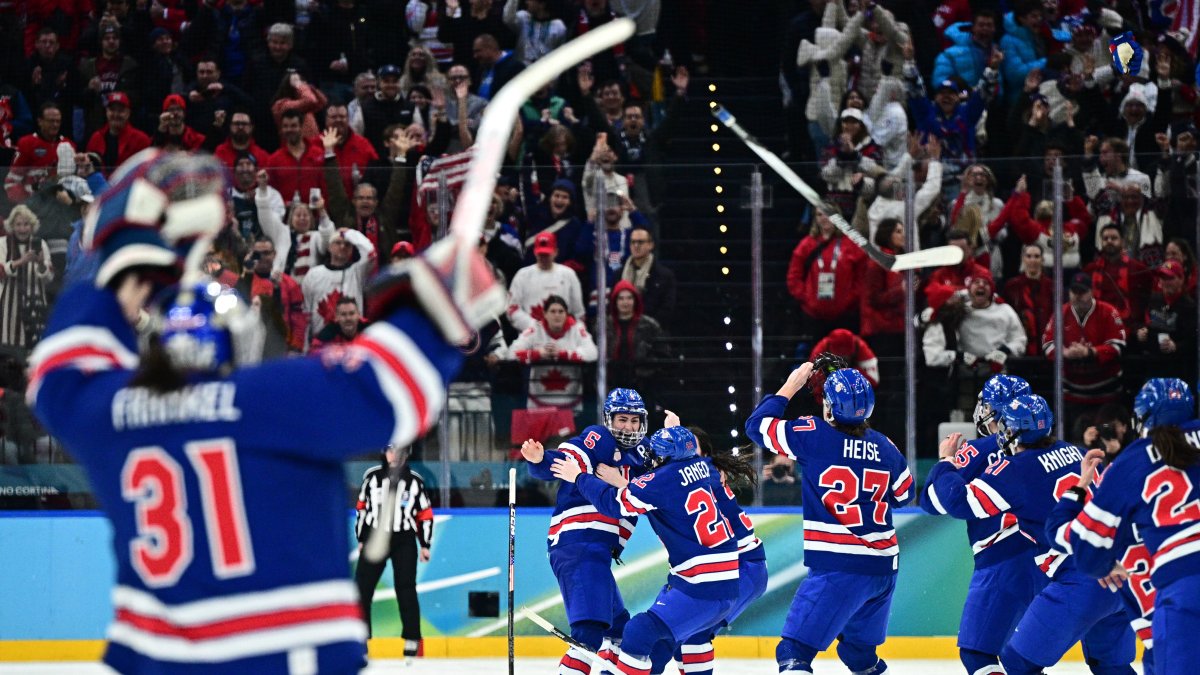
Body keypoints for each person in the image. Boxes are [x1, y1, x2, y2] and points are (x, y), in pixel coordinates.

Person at [25, 150, 503, 673]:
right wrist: (439, 301)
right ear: (238, 340)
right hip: (288, 657)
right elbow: (397, 388)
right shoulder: (272, 399)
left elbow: (56, 372)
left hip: (158, 662)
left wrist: (123, 253)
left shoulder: (110, 412)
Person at [925, 394, 1136, 674]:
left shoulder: (1017, 468)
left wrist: (945, 461)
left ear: (1013, 431)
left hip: (1081, 578)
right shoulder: (1072, 450)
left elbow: (958, 501)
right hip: (1122, 572)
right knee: (1112, 665)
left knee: (1018, 662)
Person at [745, 364, 912, 675]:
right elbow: (904, 495)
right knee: (858, 653)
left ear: (830, 407)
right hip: (883, 570)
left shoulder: (813, 434)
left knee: (793, 651)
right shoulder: (885, 446)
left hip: (839, 566)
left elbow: (756, 426)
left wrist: (791, 385)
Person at [550, 425, 739, 675]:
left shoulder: (660, 481)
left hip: (700, 585)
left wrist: (579, 477)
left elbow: (613, 504)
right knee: (668, 645)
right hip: (727, 580)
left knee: (638, 631)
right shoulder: (705, 468)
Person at [1050, 378, 1200, 675]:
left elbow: (1083, 545)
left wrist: (1102, 565)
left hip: (1183, 591)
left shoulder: (1133, 460)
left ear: (1142, 419)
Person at [519, 388, 650, 675]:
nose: (628, 427)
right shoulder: (597, 442)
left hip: (596, 551)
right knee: (588, 632)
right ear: (609, 419)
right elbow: (561, 463)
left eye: (634, 420)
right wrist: (539, 460)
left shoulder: (642, 456)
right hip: (580, 544)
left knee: (619, 630)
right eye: (622, 419)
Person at [920, 375, 1042, 675]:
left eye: (986, 405)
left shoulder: (979, 449)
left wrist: (945, 462)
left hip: (1002, 560)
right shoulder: (1052, 449)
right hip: (1049, 560)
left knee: (978, 654)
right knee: (1020, 658)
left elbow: (932, 502)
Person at [672, 424, 768, 675]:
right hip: (726, 568)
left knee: (695, 633)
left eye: (690, 447)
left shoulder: (707, 473)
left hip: (743, 567)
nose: (682, 451)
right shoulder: (688, 477)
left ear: (704, 455)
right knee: (679, 635)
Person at [353, 445, 433, 660]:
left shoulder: (415, 481)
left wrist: (425, 544)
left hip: (403, 538)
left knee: (405, 588)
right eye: (390, 450)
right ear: (384, 453)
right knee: (362, 589)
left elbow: (424, 514)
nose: (395, 455)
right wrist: (362, 538)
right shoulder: (372, 478)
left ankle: (412, 638)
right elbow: (362, 508)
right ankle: (360, 640)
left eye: (400, 451)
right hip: (375, 537)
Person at [509, 294, 598, 412]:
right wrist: (538, 354)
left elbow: (593, 353)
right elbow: (511, 354)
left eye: (561, 311)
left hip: (570, 405)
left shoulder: (577, 329)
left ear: (566, 314)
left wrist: (563, 354)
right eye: (553, 311)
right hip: (538, 405)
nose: (557, 315)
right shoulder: (535, 329)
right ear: (545, 314)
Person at [0, 205, 54, 349]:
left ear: (32, 226)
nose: (22, 229)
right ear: (11, 226)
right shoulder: (2, 243)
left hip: (35, 304)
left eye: (26, 224)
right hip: (8, 308)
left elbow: (49, 277)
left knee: (34, 348)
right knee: (9, 348)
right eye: (18, 224)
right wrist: (21, 261)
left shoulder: (41, 244)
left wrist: (40, 263)